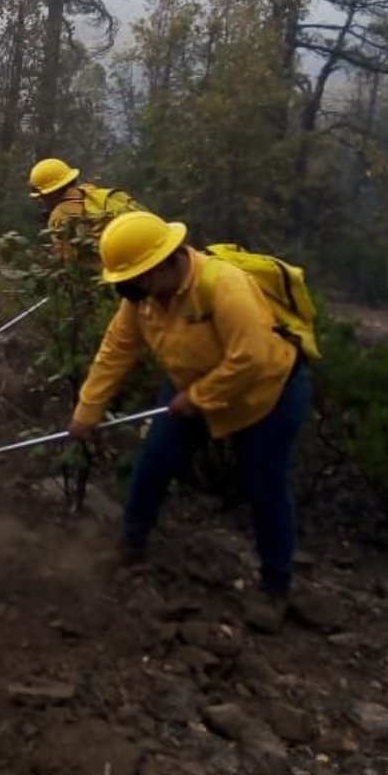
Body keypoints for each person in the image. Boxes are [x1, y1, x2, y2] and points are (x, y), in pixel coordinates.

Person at [67, 210, 311, 631]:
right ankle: (131, 542)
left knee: (264, 484)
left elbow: (250, 357)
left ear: (165, 263)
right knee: (156, 459)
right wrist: (86, 412)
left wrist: (200, 398)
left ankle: (275, 588)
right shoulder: (142, 300)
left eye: (136, 280)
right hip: (191, 389)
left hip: (265, 394)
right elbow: (115, 352)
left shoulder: (222, 286)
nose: (131, 292)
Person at [28, 158, 145, 261]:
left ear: (50, 194)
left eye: (41, 197)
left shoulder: (60, 215)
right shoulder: (105, 195)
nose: (41, 202)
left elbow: (69, 262)